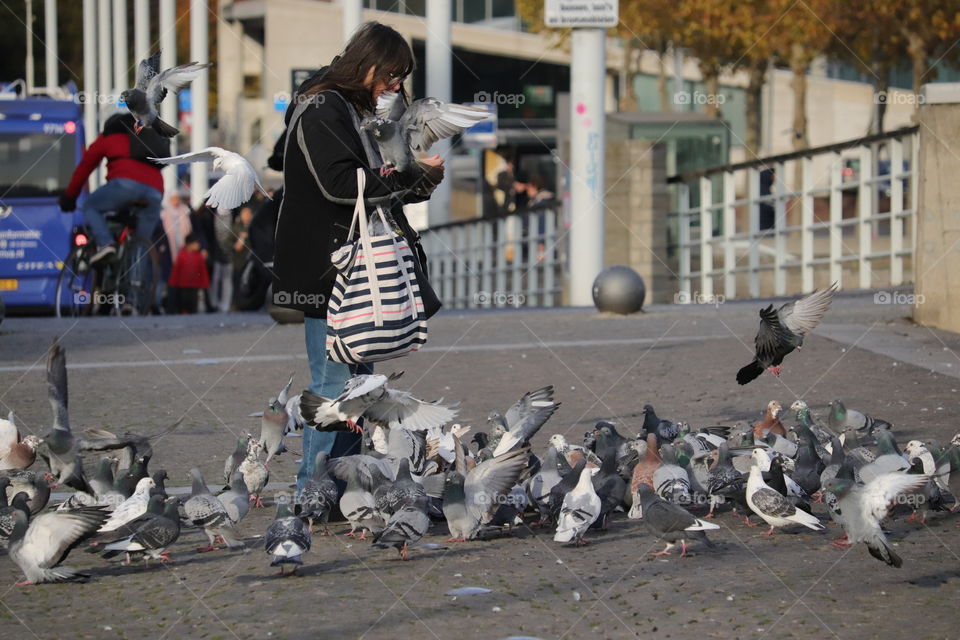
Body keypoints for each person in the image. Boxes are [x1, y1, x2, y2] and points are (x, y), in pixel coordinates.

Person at [273, 21, 442, 490]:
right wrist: (408, 178)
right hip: (331, 269)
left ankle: (342, 485)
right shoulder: (322, 108)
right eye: (391, 75)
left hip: (346, 266)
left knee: (356, 387)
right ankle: (314, 488)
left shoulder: (348, 108)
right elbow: (340, 186)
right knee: (334, 383)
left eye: (402, 77)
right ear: (366, 65)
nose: (396, 86)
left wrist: (415, 179)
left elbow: (371, 184)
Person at [59, 112, 169, 264]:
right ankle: (138, 285)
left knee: (91, 205)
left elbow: (85, 167)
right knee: (140, 249)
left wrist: (69, 197)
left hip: (125, 185)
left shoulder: (109, 136)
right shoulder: (143, 137)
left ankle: (105, 243)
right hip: (156, 192)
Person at [168, 233, 210, 314]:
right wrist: (172, 282)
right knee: (183, 303)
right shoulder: (182, 255)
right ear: (190, 244)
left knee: (193, 303)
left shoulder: (198, 256)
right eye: (196, 243)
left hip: (194, 286)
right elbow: (176, 270)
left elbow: (203, 271)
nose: (198, 245)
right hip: (182, 285)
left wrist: (205, 283)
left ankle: (192, 315)